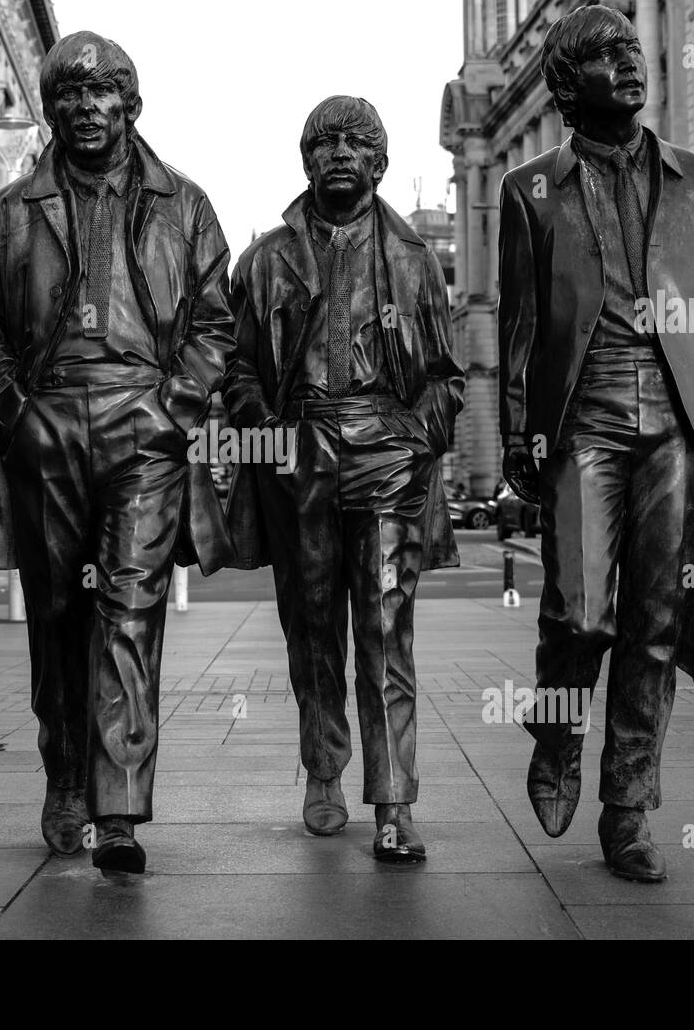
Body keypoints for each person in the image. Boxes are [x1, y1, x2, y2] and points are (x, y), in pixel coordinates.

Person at [497, 4, 694, 880]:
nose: (628, 61)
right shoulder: (531, 190)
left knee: (656, 621)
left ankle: (627, 808)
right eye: (604, 53)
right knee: (578, 612)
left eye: (631, 47)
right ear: (567, 81)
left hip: (679, 422)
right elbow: (521, 327)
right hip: (582, 418)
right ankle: (556, 731)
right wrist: (519, 432)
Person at [0, 32, 234, 874]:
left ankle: (118, 806)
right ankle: (65, 777)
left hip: (143, 429)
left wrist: (173, 406)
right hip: (46, 429)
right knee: (57, 618)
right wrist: (11, 411)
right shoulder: (9, 213)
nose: (85, 108)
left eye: (102, 92)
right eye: (68, 95)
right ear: (51, 110)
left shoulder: (183, 205)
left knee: (129, 610)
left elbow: (216, 323)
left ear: (130, 104)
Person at [224, 96, 465, 862]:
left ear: (379, 162)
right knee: (312, 626)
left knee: (386, 628)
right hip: (300, 454)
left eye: (355, 142)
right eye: (323, 141)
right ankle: (324, 766)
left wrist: (415, 440)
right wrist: (264, 426)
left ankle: (393, 799)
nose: (338, 152)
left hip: (386, 458)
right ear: (305, 160)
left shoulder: (415, 259)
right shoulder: (265, 260)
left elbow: (446, 378)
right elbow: (233, 368)